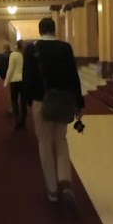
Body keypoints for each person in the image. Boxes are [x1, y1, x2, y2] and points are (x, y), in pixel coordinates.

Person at [23, 18, 84, 204]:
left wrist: (27, 101)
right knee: (61, 139)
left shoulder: (31, 49)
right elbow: (74, 76)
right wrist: (79, 103)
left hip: (41, 101)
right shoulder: (65, 48)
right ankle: (65, 181)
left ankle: (52, 189)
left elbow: (28, 77)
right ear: (54, 29)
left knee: (44, 142)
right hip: (63, 101)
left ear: (40, 30)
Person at [4, 39, 27, 130]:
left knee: (14, 100)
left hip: (15, 80)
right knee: (23, 101)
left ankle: (17, 118)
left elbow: (11, 69)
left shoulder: (14, 54)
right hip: (24, 80)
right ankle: (23, 120)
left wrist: (6, 81)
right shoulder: (26, 55)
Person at [0, 43, 13, 114]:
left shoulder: (3, 56)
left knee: (10, 93)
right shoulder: (13, 54)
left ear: (4, 48)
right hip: (14, 75)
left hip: (8, 76)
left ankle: (11, 108)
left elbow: (1, 67)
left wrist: (2, 76)